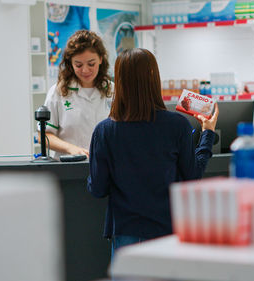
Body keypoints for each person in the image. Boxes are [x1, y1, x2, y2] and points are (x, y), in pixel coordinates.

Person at [87, 48, 219, 255]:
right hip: (168, 230)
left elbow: (98, 189)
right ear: (154, 78)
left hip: (126, 231)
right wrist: (207, 133)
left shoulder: (104, 131)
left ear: (119, 82)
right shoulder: (177, 125)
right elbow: (192, 176)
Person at [42, 30, 113, 159]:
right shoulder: (58, 92)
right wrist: (71, 149)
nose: (85, 70)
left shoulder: (114, 91)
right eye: (78, 65)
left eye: (91, 64)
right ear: (70, 63)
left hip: (107, 167)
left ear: (101, 59)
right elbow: (44, 136)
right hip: (70, 168)